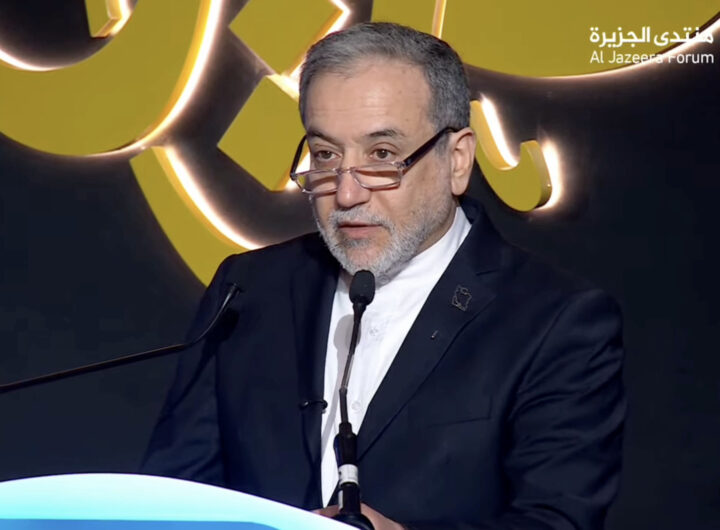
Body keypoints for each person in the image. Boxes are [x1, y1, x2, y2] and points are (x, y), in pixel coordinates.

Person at [142, 22, 625, 530]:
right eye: (326, 155)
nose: (347, 194)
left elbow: (558, 521)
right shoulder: (248, 288)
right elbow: (173, 503)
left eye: (382, 156)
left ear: (457, 160)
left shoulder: (556, 320)